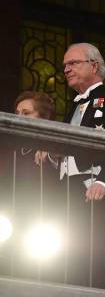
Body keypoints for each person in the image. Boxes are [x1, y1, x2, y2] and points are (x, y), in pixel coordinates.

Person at [60, 42, 105, 288]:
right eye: (65, 65)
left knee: (91, 253)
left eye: (73, 63)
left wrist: (104, 180)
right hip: (65, 189)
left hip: (94, 188)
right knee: (64, 253)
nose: (67, 69)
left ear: (94, 65)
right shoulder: (71, 105)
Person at [0, 92, 61, 280]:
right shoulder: (7, 147)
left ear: (43, 118)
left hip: (40, 225)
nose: (19, 118)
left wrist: (51, 152)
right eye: (17, 113)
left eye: (26, 113)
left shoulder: (55, 147)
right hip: (7, 222)